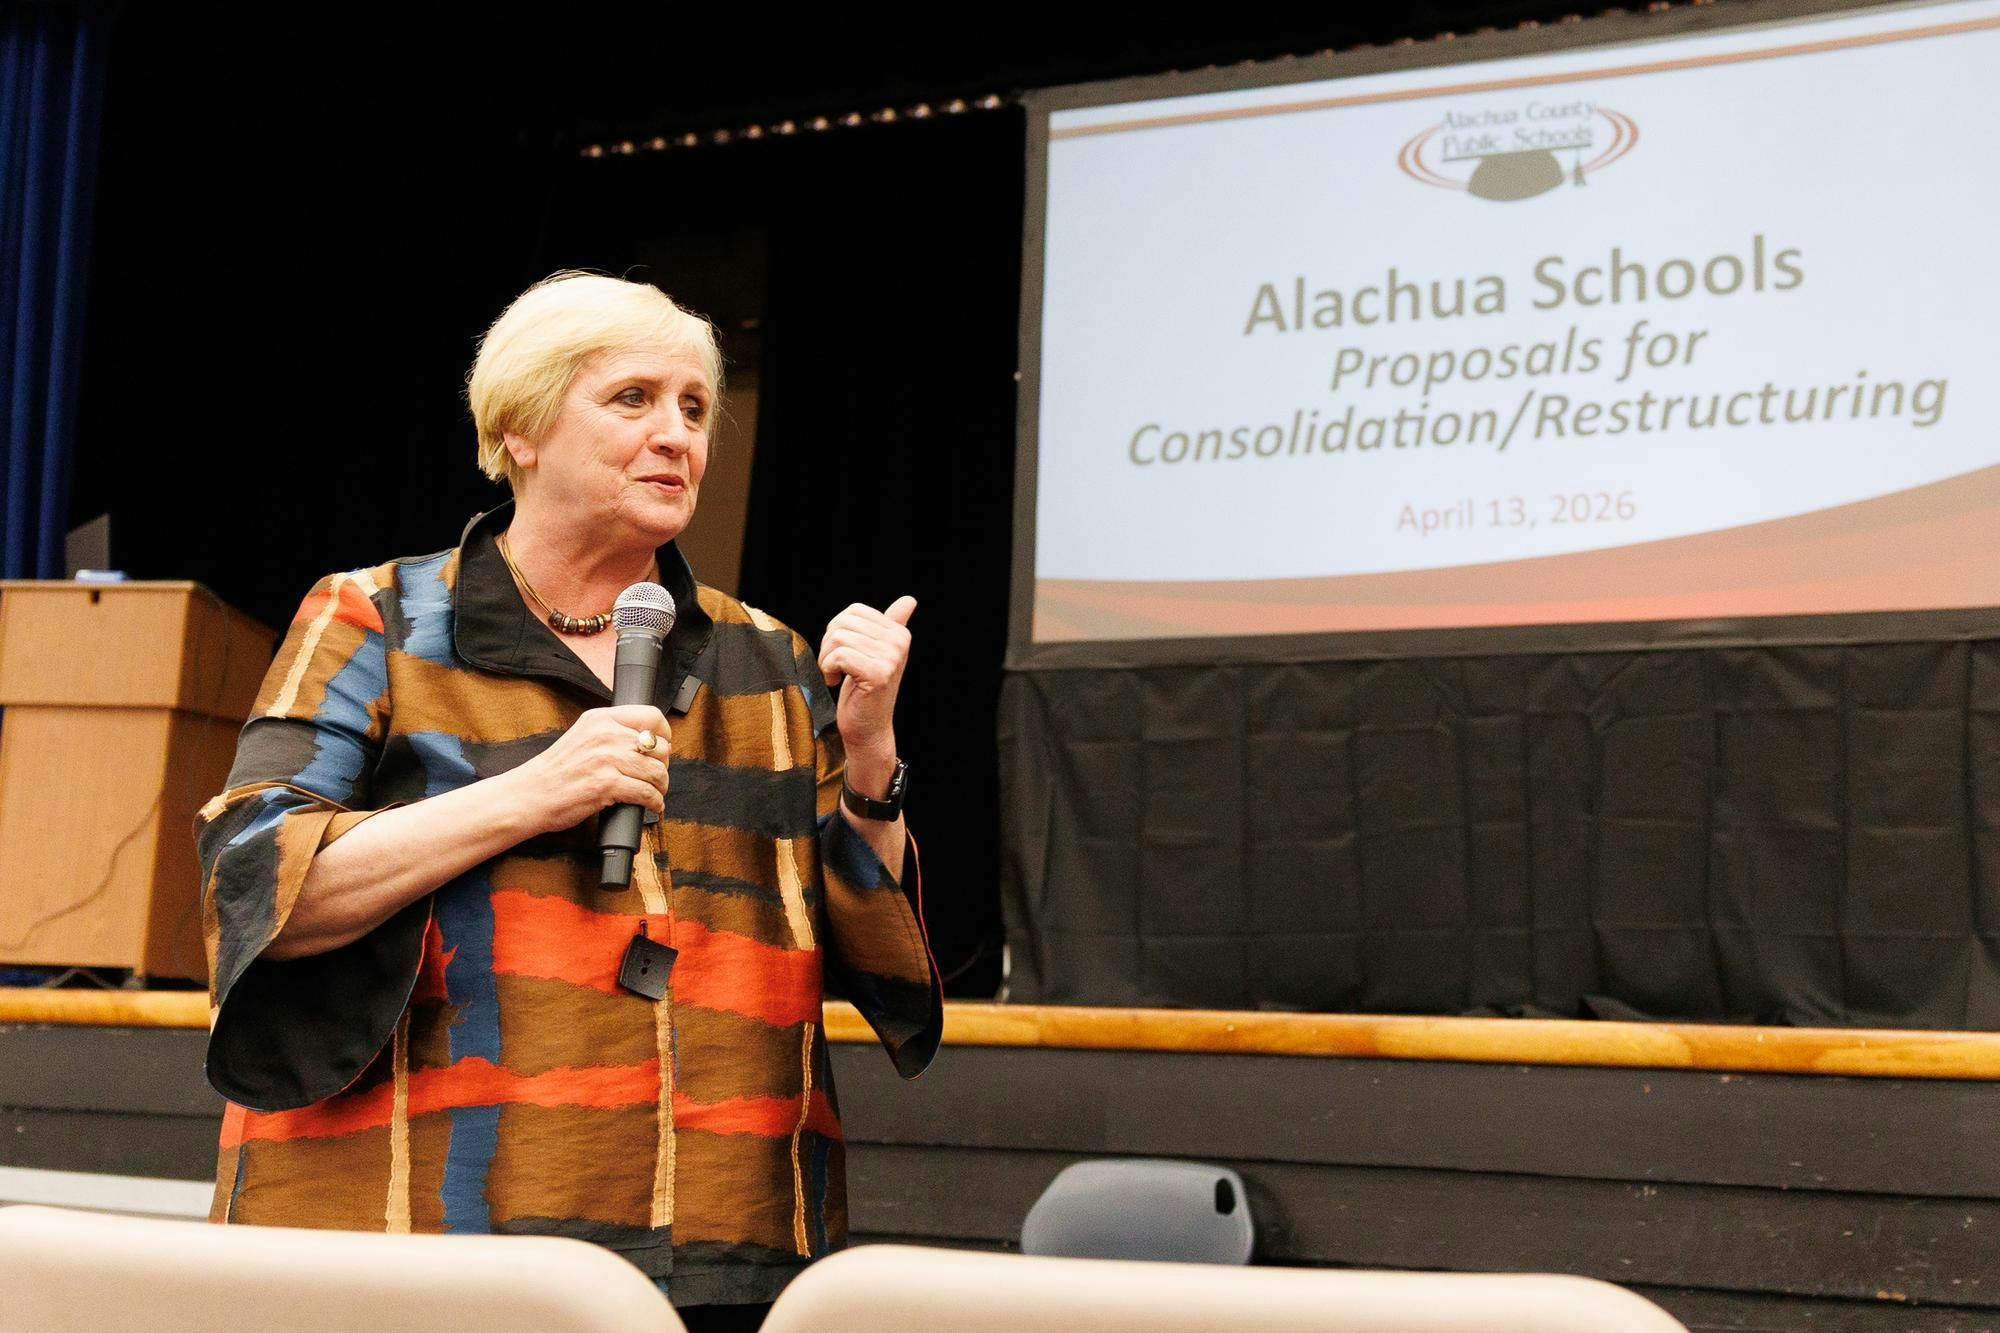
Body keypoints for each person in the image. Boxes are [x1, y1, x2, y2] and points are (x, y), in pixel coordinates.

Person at [194, 271, 941, 1329]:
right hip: (423, 1230)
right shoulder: (377, 618)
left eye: (693, 407)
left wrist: (870, 761)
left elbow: (875, 957)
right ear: (521, 429)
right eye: (632, 399)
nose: (675, 434)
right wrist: (530, 793)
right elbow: (255, 882)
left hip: (724, 1233)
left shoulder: (767, 657)